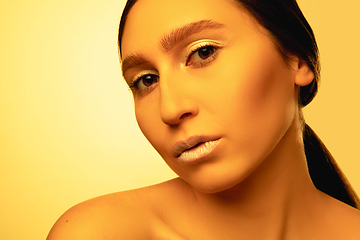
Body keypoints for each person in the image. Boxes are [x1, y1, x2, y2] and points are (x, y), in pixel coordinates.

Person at [47, 0, 360, 239]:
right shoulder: (99, 233)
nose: (169, 109)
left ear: (298, 57)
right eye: (146, 80)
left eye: (203, 52)